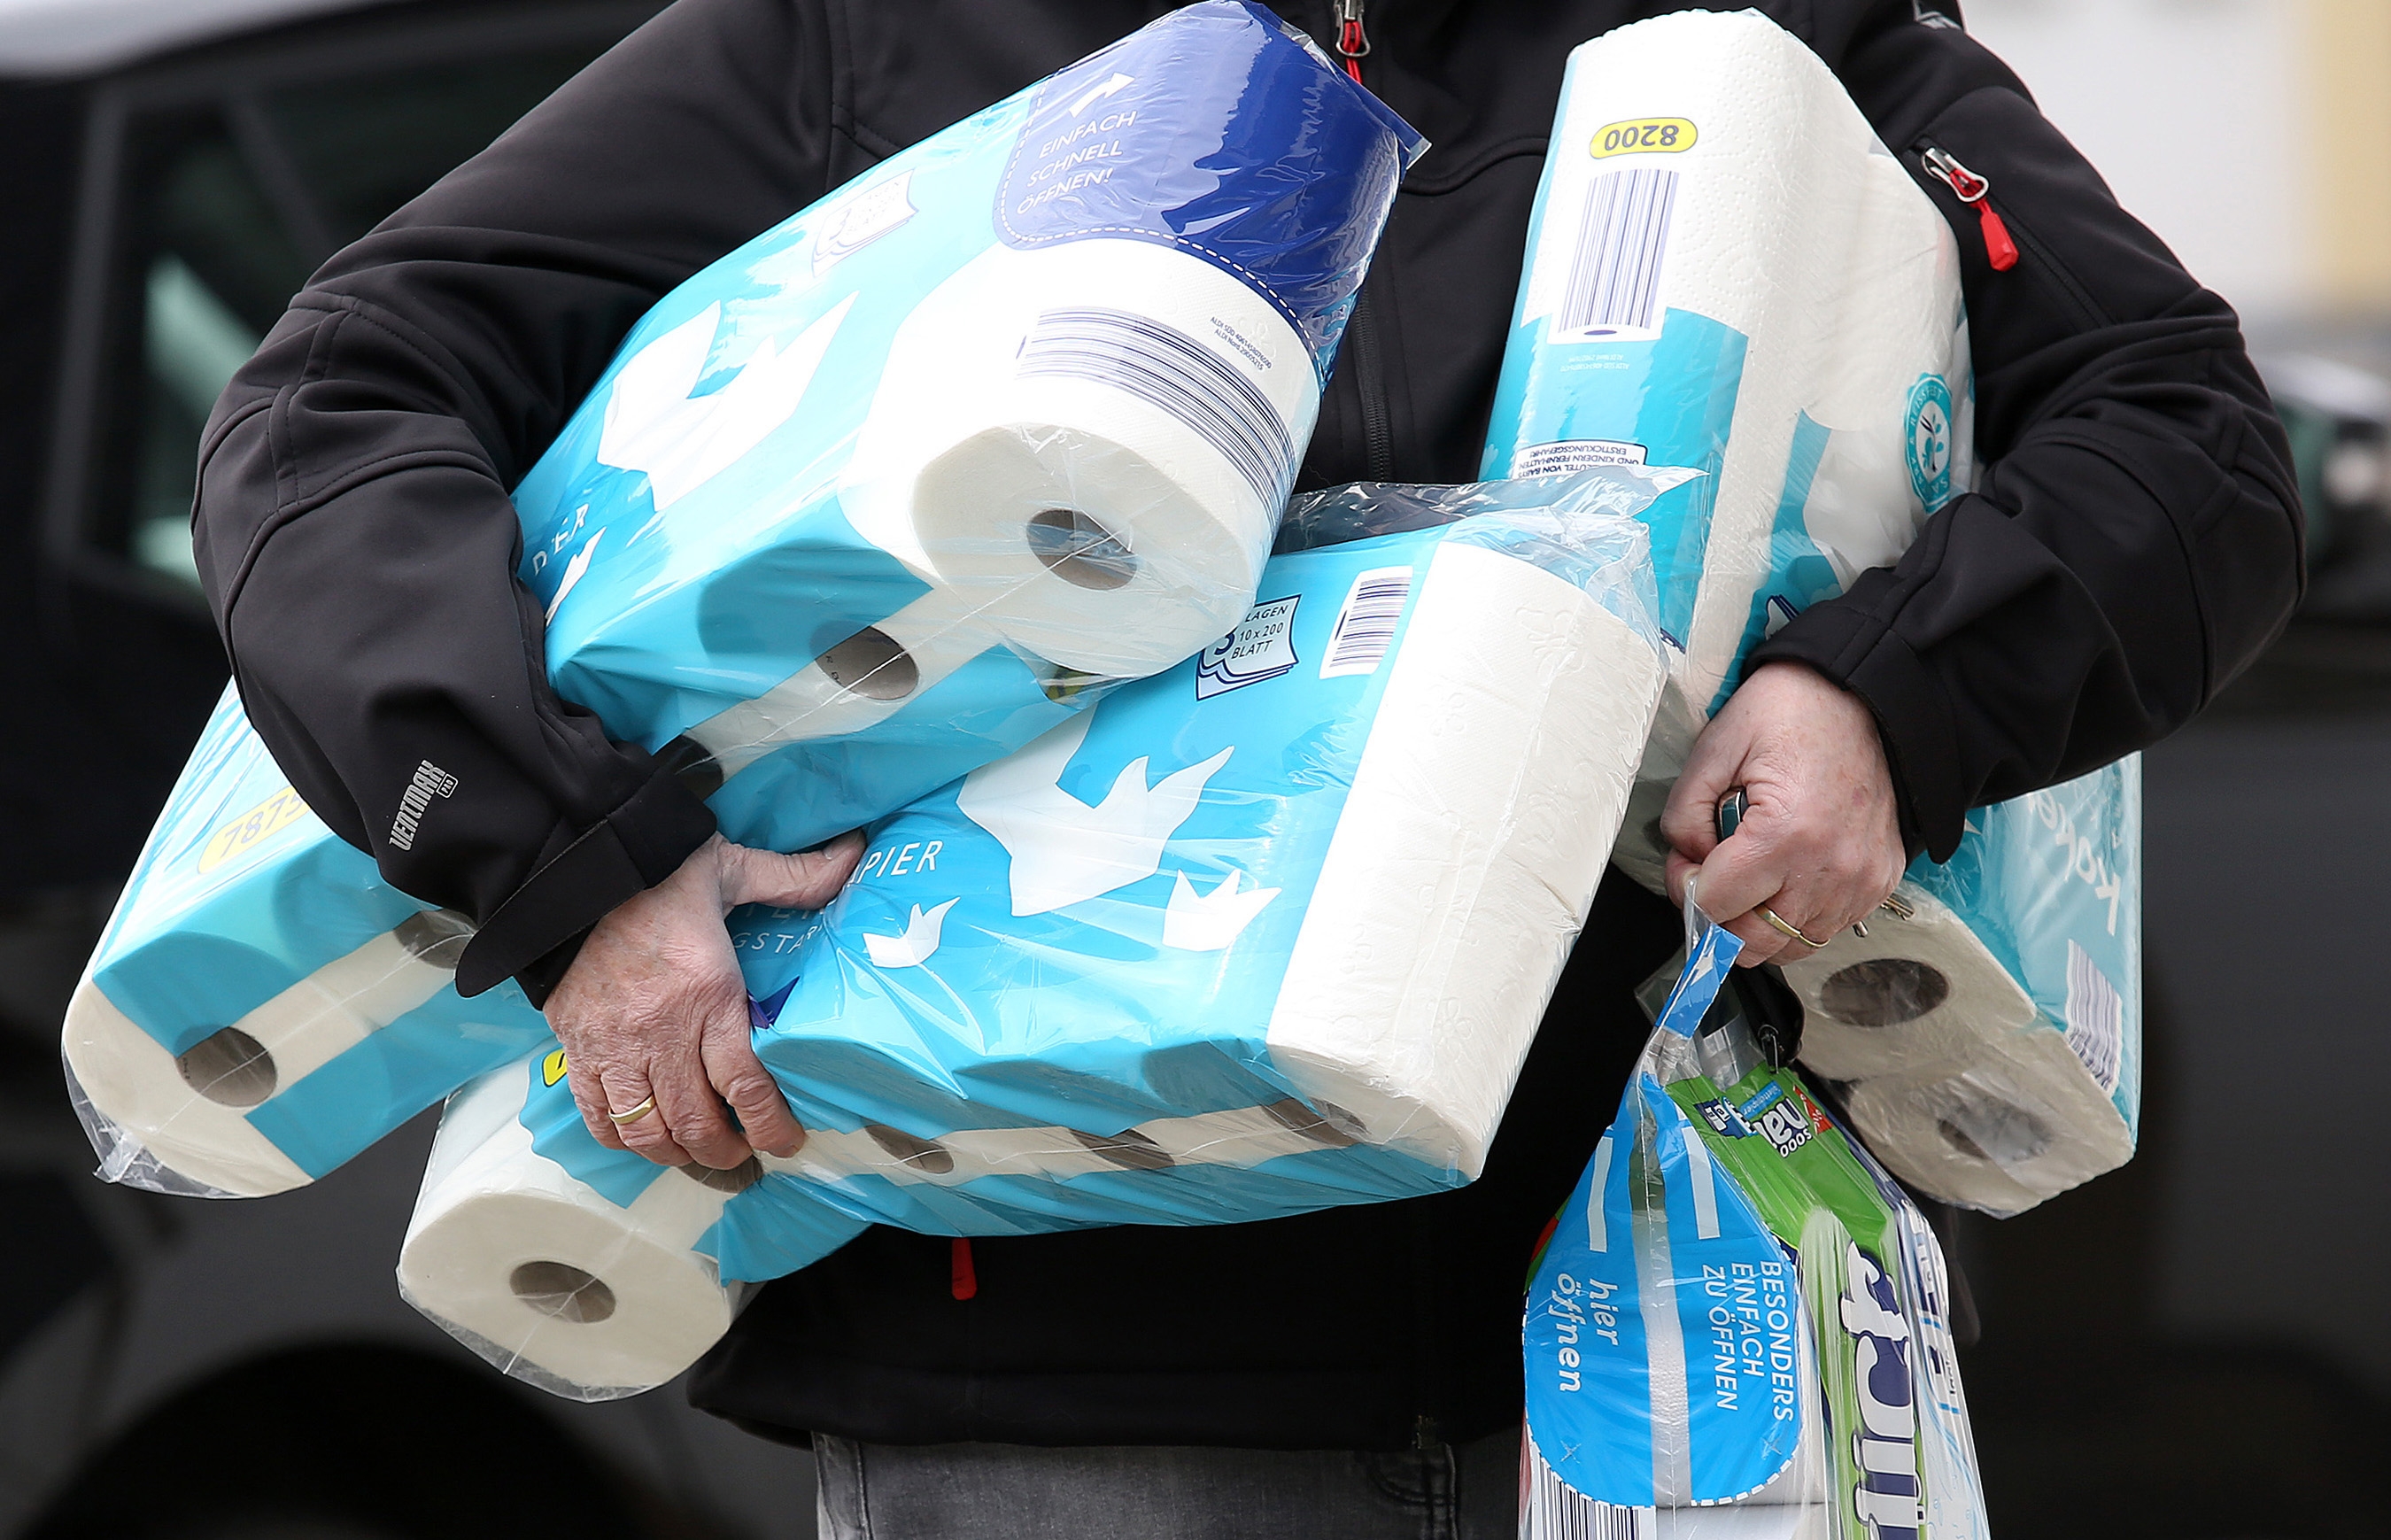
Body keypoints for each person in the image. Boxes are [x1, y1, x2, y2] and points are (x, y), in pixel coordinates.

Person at [191, 1, 2302, 1534]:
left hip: (1667, 1355)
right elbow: (339, 396)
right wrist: (565, 851)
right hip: (1069, 1403)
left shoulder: (1766, 36)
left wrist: (1888, 700)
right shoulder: (872, 38)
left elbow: (2182, 430)